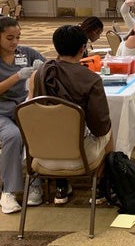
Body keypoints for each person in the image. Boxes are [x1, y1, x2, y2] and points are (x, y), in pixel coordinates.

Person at [31, 25, 112, 204]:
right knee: (109, 131)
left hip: (40, 155)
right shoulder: (91, 79)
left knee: (55, 128)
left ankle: (61, 187)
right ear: (83, 48)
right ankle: (102, 187)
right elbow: (100, 126)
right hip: (79, 158)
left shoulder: (41, 74)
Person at [0, 16, 45, 214]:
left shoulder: (26, 53)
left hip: (25, 109)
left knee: (40, 132)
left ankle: (35, 181)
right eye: (10, 38)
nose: (15, 42)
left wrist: (41, 69)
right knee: (13, 136)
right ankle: (9, 192)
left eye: (18, 36)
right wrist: (17, 76)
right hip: (2, 112)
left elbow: (51, 67)